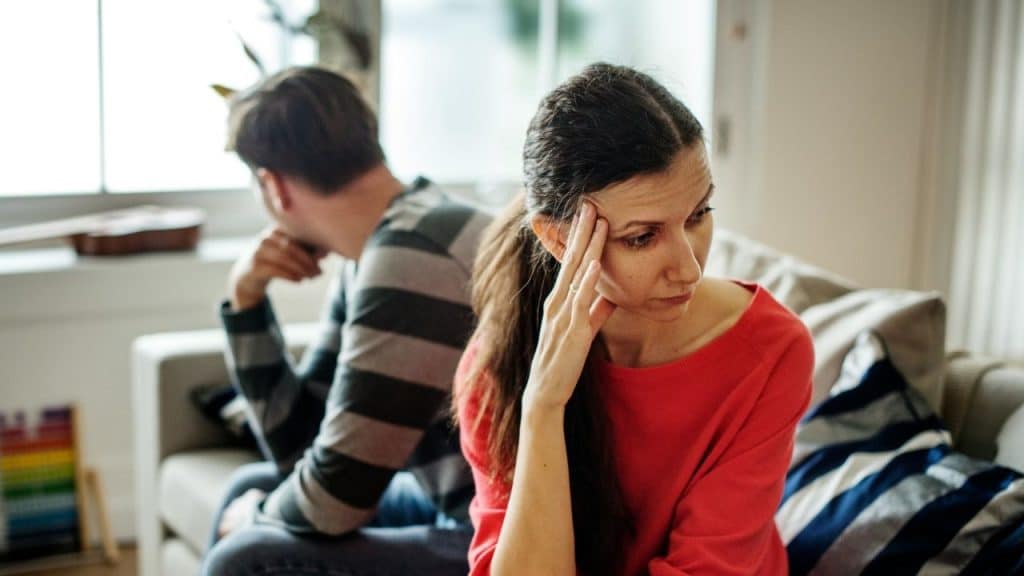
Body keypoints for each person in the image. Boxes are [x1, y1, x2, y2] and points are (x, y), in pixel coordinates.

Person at [454, 62, 814, 576]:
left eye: (698, 214)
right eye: (642, 237)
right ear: (558, 240)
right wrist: (543, 407)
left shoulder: (770, 350)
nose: (689, 267)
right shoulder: (497, 365)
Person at [202, 66, 491, 576]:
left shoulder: (411, 257)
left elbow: (335, 501)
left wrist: (257, 520)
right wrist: (244, 301)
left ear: (275, 187)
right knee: (251, 486)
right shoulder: (395, 235)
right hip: (469, 510)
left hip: (511, 537)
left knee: (244, 558)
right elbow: (303, 447)